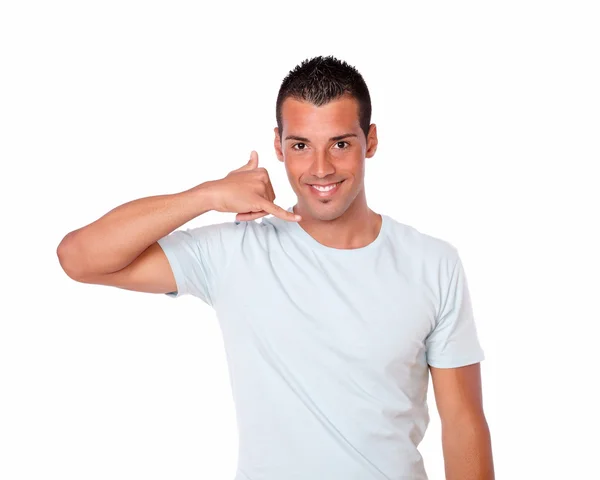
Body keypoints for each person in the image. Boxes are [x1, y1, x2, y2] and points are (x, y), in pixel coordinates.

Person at [57, 55, 494, 480]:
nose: (321, 168)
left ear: (371, 141)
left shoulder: (433, 263)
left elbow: (463, 424)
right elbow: (79, 257)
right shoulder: (236, 253)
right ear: (278, 147)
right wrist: (206, 196)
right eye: (301, 145)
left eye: (340, 144)